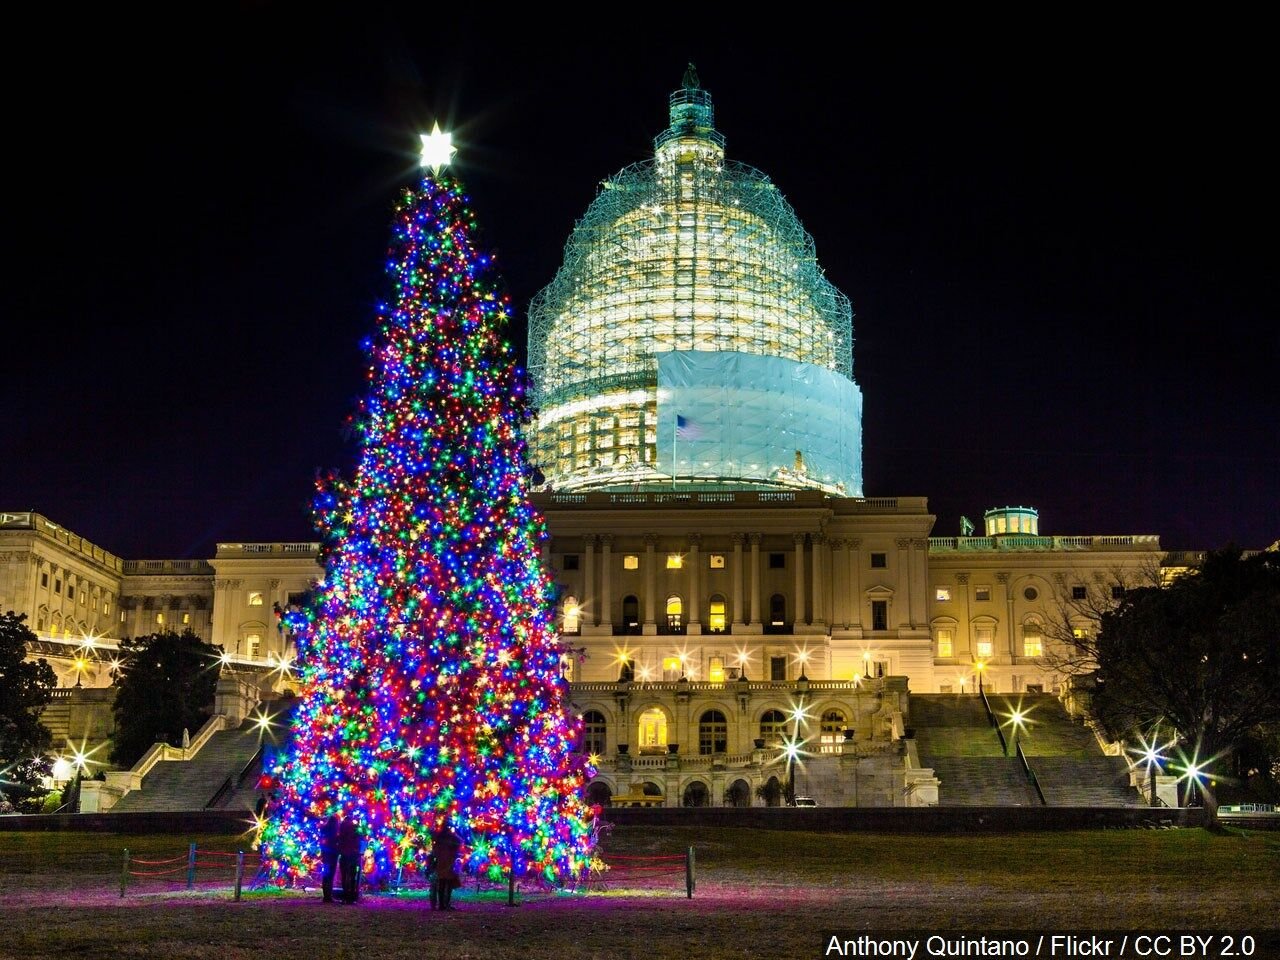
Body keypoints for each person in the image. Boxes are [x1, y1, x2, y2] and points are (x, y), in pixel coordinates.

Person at [430, 824, 461, 910]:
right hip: (446, 863)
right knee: (446, 884)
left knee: (442, 884)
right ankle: (444, 904)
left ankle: (442, 905)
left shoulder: (439, 840)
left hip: (444, 863)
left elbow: (435, 850)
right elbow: (459, 842)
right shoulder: (449, 840)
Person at [338, 812, 362, 904]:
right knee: (352, 877)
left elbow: (340, 841)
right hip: (353, 854)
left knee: (345, 876)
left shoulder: (342, 829)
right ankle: (352, 897)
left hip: (345, 854)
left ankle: (345, 897)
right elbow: (359, 840)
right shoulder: (354, 829)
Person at [319, 813, 342, 903]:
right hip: (332, 854)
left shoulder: (324, 829)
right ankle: (328, 896)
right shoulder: (335, 832)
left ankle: (326, 895)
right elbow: (336, 843)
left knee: (326, 875)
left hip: (326, 854)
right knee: (330, 875)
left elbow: (322, 842)